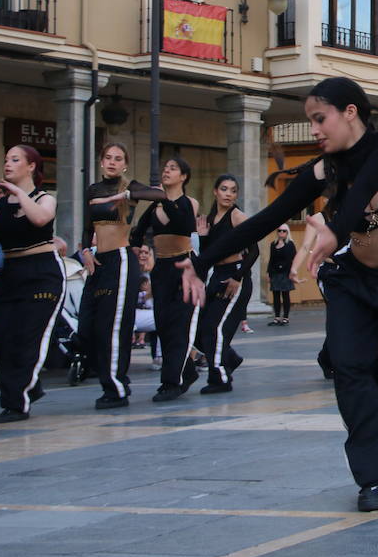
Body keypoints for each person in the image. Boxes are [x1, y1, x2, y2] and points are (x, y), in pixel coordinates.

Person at [183, 77, 378, 512]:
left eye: (320, 119)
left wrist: (335, 228)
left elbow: (363, 189)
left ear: (350, 112)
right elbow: (264, 220)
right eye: (310, 121)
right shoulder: (321, 170)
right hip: (353, 283)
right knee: (351, 369)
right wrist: (201, 261)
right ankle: (377, 476)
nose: (315, 130)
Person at [0, 145, 63, 423]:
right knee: (1, 338)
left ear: (31, 166)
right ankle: (30, 385)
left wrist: (19, 194)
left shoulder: (44, 198)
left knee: (28, 339)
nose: (8, 165)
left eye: (15, 160)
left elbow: (39, 218)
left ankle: (16, 404)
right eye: (6, 160)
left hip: (42, 272)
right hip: (11, 273)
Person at [80, 142, 166, 409]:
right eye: (108, 157)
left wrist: (125, 194)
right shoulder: (93, 189)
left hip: (120, 259)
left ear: (125, 164)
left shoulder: (130, 188)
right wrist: (84, 250)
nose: (112, 162)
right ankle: (111, 378)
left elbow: (159, 195)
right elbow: (87, 226)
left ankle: (116, 387)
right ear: (101, 161)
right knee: (88, 325)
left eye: (118, 159)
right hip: (98, 260)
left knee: (113, 326)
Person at [132, 157, 200, 402]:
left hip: (184, 267)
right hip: (161, 268)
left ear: (183, 176)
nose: (166, 171)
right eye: (165, 168)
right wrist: (137, 249)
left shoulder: (188, 202)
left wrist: (162, 200)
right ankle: (187, 371)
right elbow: (137, 233)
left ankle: (171, 382)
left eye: (173, 168)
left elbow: (184, 225)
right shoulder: (154, 206)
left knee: (179, 326)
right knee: (163, 324)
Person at [190, 174, 254, 393]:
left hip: (235, 274)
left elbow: (253, 252)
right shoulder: (209, 219)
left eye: (233, 190)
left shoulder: (237, 217)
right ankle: (230, 358)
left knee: (215, 328)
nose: (229, 194)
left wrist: (238, 278)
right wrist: (204, 237)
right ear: (215, 191)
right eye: (224, 189)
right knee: (200, 329)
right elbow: (208, 255)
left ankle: (220, 379)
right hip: (217, 274)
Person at [267, 226, 297, 325]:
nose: (281, 233)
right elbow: (271, 259)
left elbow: (293, 258)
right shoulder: (273, 244)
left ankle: (286, 317)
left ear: (287, 232)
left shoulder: (290, 244)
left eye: (284, 231)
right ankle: (277, 317)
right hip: (275, 272)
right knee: (275, 295)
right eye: (279, 230)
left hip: (285, 272)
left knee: (285, 295)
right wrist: (268, 273)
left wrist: (293, 271)